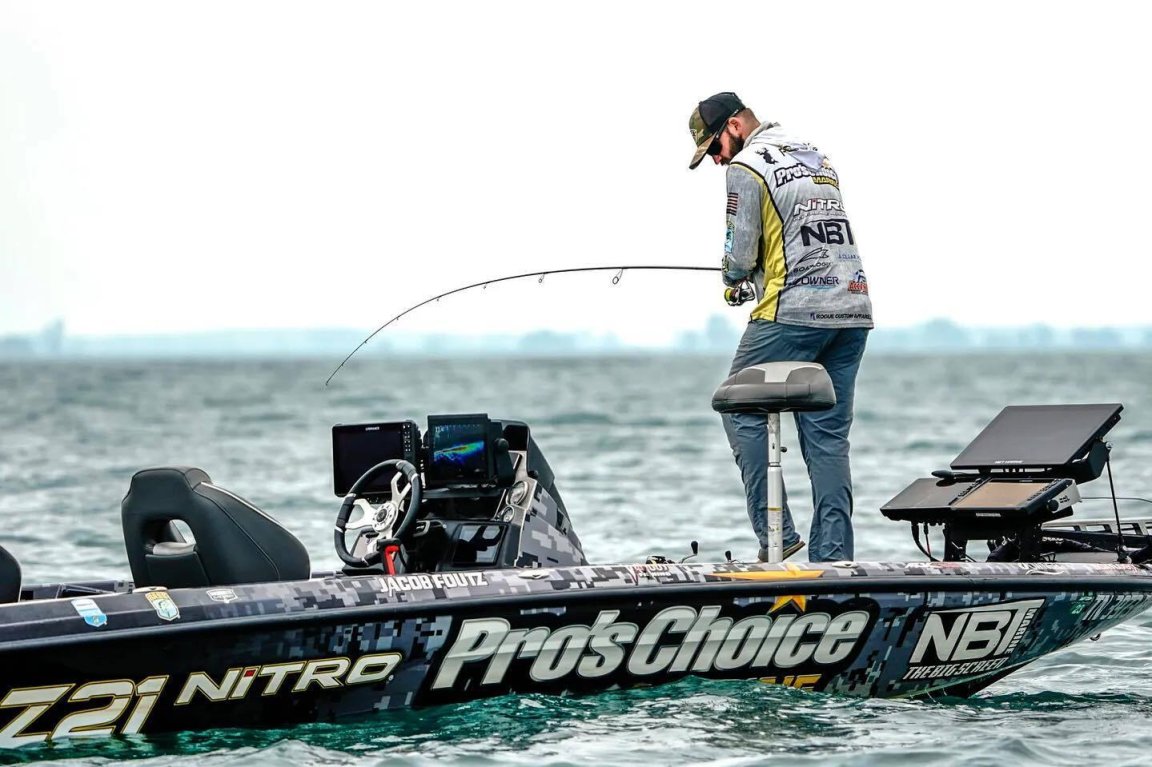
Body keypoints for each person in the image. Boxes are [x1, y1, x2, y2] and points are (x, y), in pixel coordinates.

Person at [688, 92, 873, 563]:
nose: (716, 160)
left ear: (734, 126)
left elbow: (740, 251)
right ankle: (834, 560)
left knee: (736, 405)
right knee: (828, 438)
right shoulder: (814, 155)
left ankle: (777, 535)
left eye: (713, 148)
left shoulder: (746, 166)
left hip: (793, 309)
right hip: (852, 308)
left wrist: (733, 279)